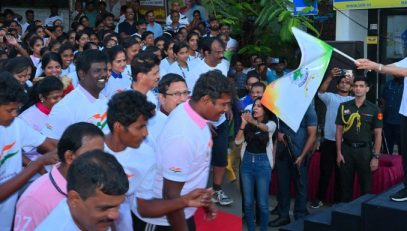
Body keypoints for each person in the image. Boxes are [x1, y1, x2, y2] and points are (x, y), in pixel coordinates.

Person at [142, 70, 230, 230]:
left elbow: (193, 168)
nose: (226, 109)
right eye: (223, 104)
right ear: (206, 100)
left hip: (181, 212)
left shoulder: (195, 115)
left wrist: (205, 201)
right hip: (163, 220)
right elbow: (170, 194)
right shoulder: (183, 135)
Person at [14, 122, 105, 230]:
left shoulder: (97, 183)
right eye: (92, 155)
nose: (100, 161)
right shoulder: (35, 199)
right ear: (70, 157)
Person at [0, 72, 57, 230]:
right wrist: (37, 164)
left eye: (17, 109)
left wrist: (77, 145)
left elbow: (48, 144)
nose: (14, 115)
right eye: (9, 110)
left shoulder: (15, 124)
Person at [36, 150, 129, 230]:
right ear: (74, 199)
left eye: (118, 206)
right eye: (104, 208)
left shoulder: (88, 220)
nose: (115, 215)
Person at [356, 58, 407, 201]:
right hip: (404, 113)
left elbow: (403, 71)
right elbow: (393, 66)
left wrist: (377, 67)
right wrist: (370, 65)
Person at [42, 49, 109, 140]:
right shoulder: (65, 107)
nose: (104, 74)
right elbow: (49, 144)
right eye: (97, 71)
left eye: (105, 70)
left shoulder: (104, 100)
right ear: (82, 74)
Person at [311, 68, 354, 208]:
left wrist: (353, 81)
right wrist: (329, 76)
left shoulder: (353, 100)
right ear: (337, 86)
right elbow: (320, 92)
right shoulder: (331, 97)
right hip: (329, 141)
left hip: (345, 143)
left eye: (346, 83)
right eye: (341, 82)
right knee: (325, 172)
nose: (343, 84)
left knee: (341, 174)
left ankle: (337, 201)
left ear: (351, 86)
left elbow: (363, 96)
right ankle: (319, 198)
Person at [335, 77, 382, 202]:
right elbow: (339, 130)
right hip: (347, 150)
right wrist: (338, 152)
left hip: (364, 151)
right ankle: (345, 216)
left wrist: (375, 157)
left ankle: (363, 218)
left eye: (361, 86)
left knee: (366, 188)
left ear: (367, 89)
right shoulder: (343, 107)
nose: (358, 88)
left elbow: (378, 134)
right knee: (345, 187)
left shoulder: (374, 109)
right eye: (355, 86)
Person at [270, 103, 317, 227]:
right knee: (282, 186)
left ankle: (300, 215)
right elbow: (274, 128)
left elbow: (312, 134)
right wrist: (278, 134)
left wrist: (303, 155)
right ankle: (283, 216)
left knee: (301, 187)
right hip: (282, 153)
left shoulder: (308, 108)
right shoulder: (280, 108)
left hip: (300, 153)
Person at [235, 97, 276, 231]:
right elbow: (237, 142)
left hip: (263, 164)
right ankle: (251, 229)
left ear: (265, 110)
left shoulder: (271, 123)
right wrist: (243, 123)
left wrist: (252, 121)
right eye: (254, 106)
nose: (255, 108)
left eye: (259, 106)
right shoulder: (247, 123)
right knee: (247, 202)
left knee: (263, 203)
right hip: (246, 163)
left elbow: (266, 128)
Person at [381, 76, 403, 154]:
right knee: (387, 149)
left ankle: (402, 166)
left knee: (403, 151)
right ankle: (388, 166)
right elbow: (383, 100)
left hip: (402, 123)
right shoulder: (388, 84)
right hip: (387, 121)